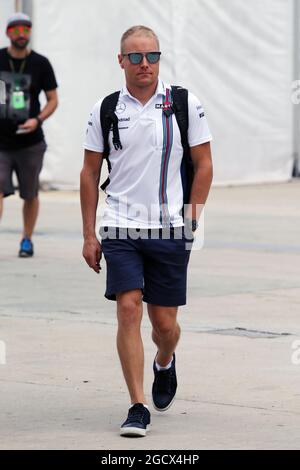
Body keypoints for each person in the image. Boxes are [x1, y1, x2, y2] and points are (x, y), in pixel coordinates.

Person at [80, 25, 213, 437]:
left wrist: (191, 217)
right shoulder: (105, 109)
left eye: (152, 57)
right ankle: (137, 405)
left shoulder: (183, 104)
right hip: (120, 225)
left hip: (170, 227)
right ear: (121, 60)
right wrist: (89, 234)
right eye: (135, 57)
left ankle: (164, 361)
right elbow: (88, 173)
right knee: (128, 308)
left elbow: (204, 164)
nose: (144, 65)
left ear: (160, 59)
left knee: (164, 325)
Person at [0, 12, 58, 257]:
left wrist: (38, 119)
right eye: (16, 30)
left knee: (30, 193)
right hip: (1, 141)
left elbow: (53, 99)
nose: (21, 34)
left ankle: (27, 239)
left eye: (25, 29)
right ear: (8, 33)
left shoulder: (41, 63)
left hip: (30, 143)